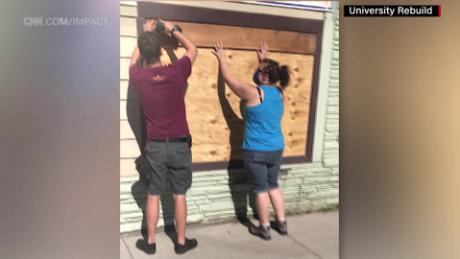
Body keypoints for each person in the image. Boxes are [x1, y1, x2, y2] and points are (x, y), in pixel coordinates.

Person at [129, 19, 198, 254]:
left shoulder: (139, 77)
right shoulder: (176, 72)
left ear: (144, 53)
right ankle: (180, 242)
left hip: (156, 146)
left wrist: (145, 32)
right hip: (179, 144)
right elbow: (193, 50)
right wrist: (173, 31)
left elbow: (132, 60)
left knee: (153, 194)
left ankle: (150, 243)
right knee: (179, 194)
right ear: (160, 51)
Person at [212, 41, 290, 240]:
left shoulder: (253, 92)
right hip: (276, 148)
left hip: (255, 151)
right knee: (273, 186)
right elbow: (267, 78)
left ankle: (264, 227)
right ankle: (281, 223)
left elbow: (229, 81)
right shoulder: (280, 93)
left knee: (261, 190)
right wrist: (263, 60)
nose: (256, 73)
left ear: (264, 75)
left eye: (259, 71)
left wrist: (222, 59)